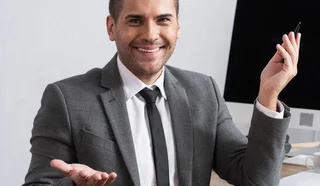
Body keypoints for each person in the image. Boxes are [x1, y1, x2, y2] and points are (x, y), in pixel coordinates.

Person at [23, 0, 301, 185]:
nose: (151, 34)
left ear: (177, 26)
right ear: (112, 27)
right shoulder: (66, 98)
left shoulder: (204, 92)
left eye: (163, 20)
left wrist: (268, 95)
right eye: (135, 21)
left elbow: (256, 180)